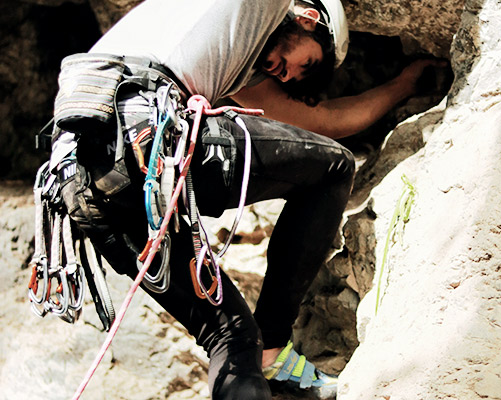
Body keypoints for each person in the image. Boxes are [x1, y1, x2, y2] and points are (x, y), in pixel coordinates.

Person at [49, 0, 443, 398]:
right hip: (138, 134)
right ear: (308, 16)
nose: (290, 75)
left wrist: (404, 86)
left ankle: (268, 353)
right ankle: (275, 337)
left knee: (233, 339)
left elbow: (324, 122)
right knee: (336, 169)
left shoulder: (232, 59)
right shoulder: (258, 8)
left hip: (77, 180)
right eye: (307, 63)